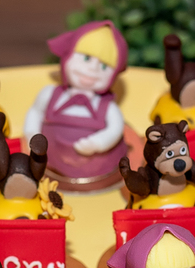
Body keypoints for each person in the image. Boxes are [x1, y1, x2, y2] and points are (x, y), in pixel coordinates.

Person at [24, 21, 127, 180]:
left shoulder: (108, 107)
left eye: (104, 67)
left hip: (97, 167)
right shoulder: (49, 94)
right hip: (49, 159)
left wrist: (98, 143)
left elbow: (116, 129)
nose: (93, 69)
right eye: (86, 58)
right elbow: (35, 112)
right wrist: (32, 133)